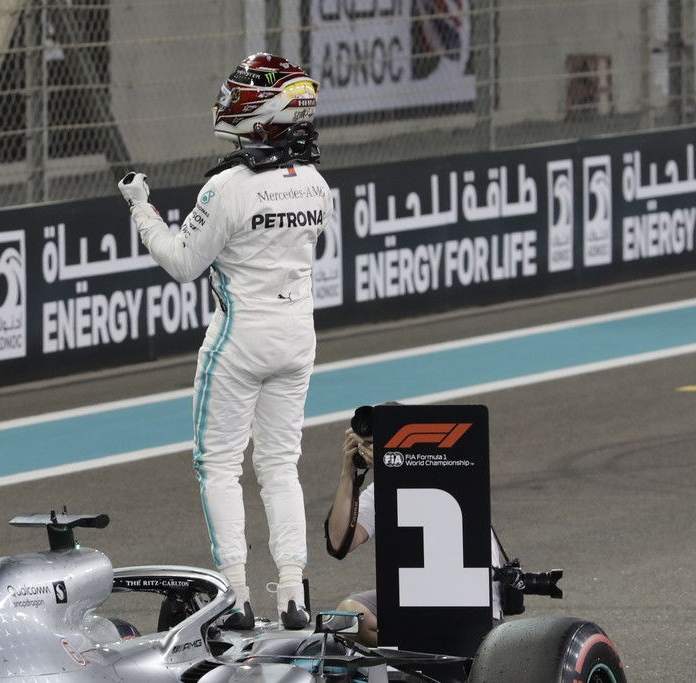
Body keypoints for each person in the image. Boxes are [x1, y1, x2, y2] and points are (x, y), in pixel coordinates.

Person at [118, 53, 333, 630]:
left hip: (240, 339)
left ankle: (234, 598)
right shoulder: (317, 184)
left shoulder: (227, 188)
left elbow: (182, 263)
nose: (227, 98)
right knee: (281, 466)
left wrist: (141, 209)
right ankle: (293, 595)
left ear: (260, 112)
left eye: (240, 91)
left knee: (217, 465)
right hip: (298, 335)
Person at [325, 427, 504, 646]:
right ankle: (421, 653)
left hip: (473, 606)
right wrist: (348, 473)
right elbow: (339, 542)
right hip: (415, 602)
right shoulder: (381, 490)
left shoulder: (450, 472)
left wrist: (396, 464)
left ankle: (425, 651)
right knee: (349, 617)